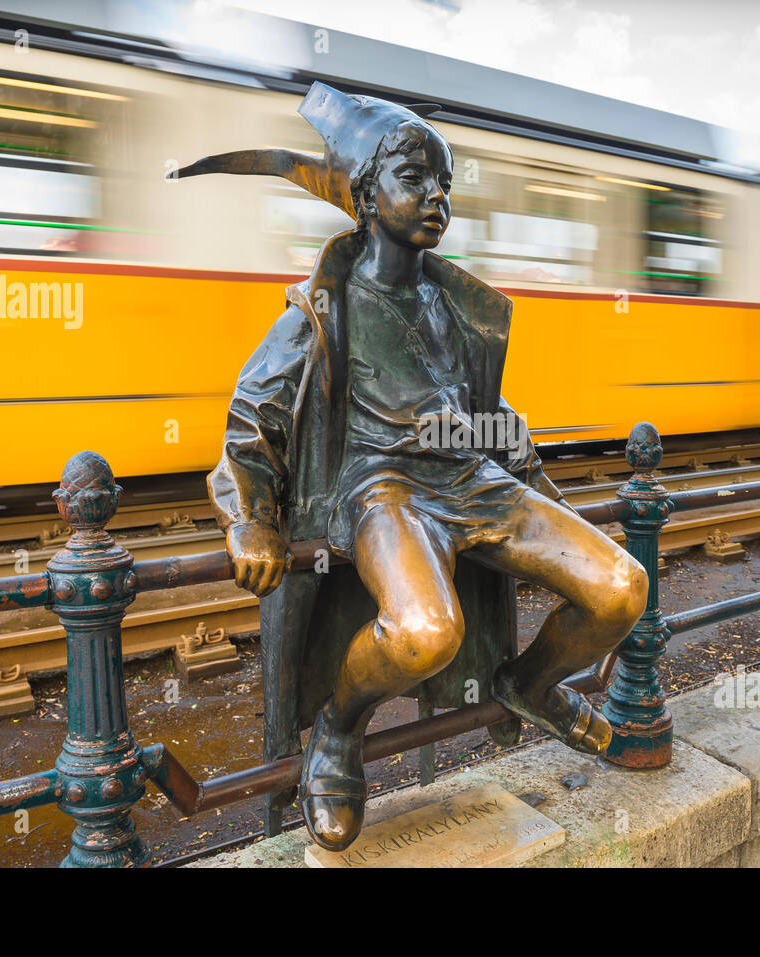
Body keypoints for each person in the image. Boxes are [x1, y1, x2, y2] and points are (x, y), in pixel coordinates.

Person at [179, 82, 647, 851]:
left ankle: (529, 685)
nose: (436, 197)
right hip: (383, 491)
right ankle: (338, 731)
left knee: (623, 587)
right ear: (366, 195)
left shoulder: (459, 306)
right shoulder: (323, 308)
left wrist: (517, 451)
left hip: (476, 482)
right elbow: (249, 423)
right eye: (413, 179)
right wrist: (247, 518)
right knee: (426, 630)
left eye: (444, 184)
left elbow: (472, 409)